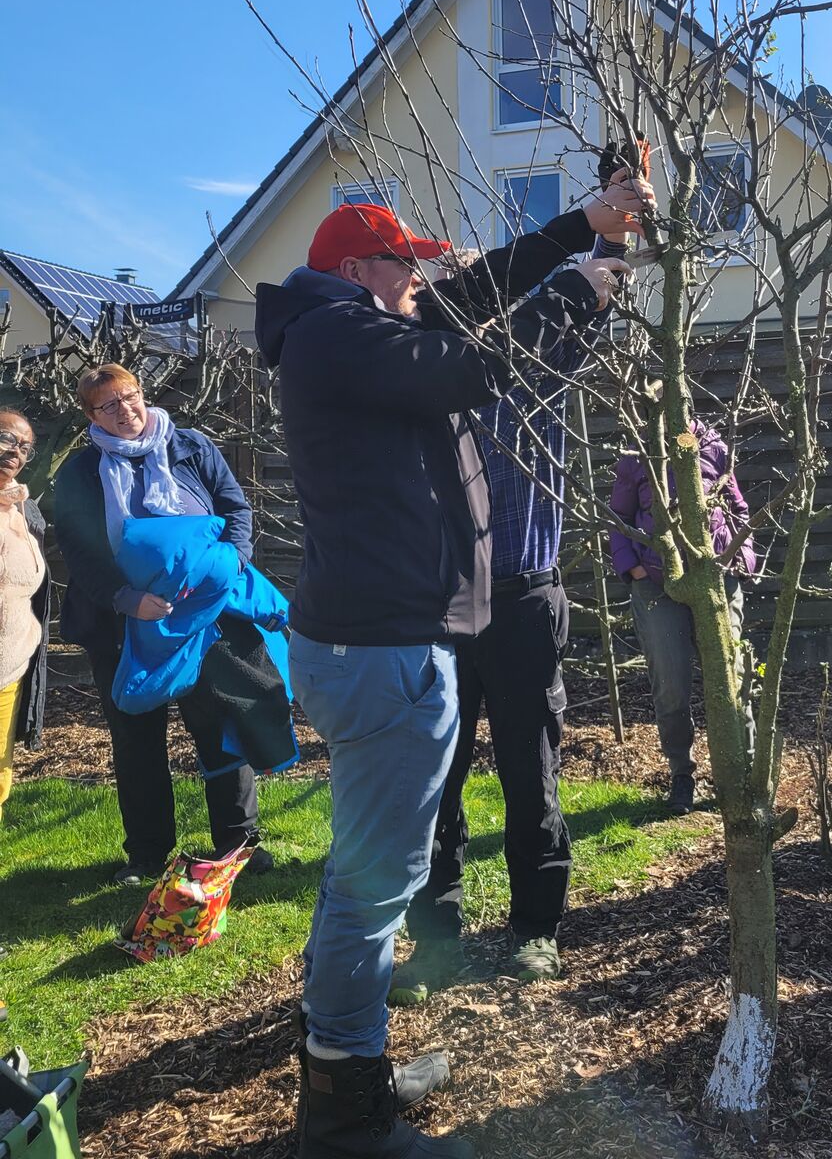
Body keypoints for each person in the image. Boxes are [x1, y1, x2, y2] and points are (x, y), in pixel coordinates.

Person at [256, 174, 648, 1159]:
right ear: (362, 268)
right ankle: (347, 1119)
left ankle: (352, 1063)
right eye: (408, 264)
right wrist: (572, 292)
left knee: (367, 869)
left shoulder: (344, 326)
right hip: (383, 649)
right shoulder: (338, 335)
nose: (423, 279)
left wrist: (577, 231)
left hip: (386, 639)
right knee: (372, 883)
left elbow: (469, 307)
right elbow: (471, 366)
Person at [394, 229, 627, 1004]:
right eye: (454, 291)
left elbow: (592, 293)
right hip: (442, 609)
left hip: (526, 597)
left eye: (482, 289)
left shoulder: (538, 367)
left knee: (533, 775)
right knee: (438, 782)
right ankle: (434, 944)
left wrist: (613, 215)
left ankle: (535, 931)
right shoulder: (422, 385)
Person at [55, 365, 273, 884]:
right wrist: (127, 598)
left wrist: (228, 567)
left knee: (219, 726)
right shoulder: (83, 470)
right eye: (108, 405)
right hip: (122, 624)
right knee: (136, 738)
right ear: (91, 415)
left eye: (129, 396)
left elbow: (236, 510)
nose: (125, 410)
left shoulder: (192, 446)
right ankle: (148, 855)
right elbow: (78, 550)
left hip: (204, 619)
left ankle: (238, 845)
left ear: (143, 392)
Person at [609, 419, 756, 814]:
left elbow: (737, 506)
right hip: (658, 587)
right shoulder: (637, 454)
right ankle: (681, 775)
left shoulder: (712, 443)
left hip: (718, 579)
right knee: (671, 684)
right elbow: (618, 518)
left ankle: (744, 775)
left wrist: (743, 557)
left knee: (731, 676)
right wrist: (633, 569)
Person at [0, 410, 51, 826]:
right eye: (6, 438)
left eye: (24, 446)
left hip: (11, 668)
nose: (14, 451)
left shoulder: (24, 508)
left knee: (0, 778)